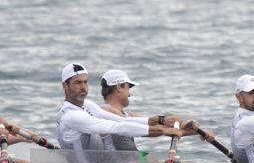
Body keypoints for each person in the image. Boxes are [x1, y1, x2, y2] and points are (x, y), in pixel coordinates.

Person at [55, 63, 184, 151]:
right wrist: (164, 131)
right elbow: (117, 127)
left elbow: (121, 120)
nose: (83, 87)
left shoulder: (87, 105)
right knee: (116, 133)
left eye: (85, 82)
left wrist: (160, 120)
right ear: (65, 86)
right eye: (77, 83)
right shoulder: (71, 116)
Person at [100, 69, 208, 163]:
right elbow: (149, 129)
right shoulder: (106, 111)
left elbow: (158, 129)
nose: (130, 94)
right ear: (119, 87)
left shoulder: (130, 115)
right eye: (128, 88)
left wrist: (199, 132)